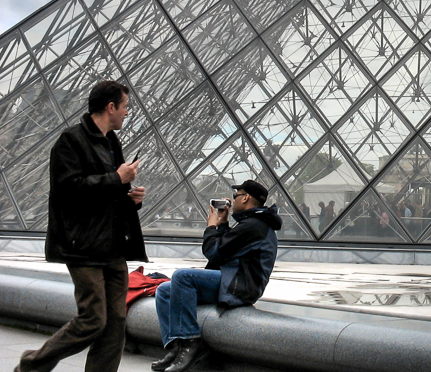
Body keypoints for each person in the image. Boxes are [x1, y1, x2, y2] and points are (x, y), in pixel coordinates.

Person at [17, 80, 147, 372]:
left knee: (116, 324)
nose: (128, 113)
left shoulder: (112, 142)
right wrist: (117, 179)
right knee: (93, 320)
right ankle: (32, 365)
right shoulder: (71, 141)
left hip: (114, 245)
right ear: (110, 107)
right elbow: (67, 190)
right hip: (84, 245)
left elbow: (109, 194)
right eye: (125, 107)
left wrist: (131, 198)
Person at [152, 180, 280, 372]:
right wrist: (224, 224)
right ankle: (174, 347)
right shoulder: (253, 224)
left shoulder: (253, 226)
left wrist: (211, 227)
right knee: (164, 290)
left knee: (182, 277)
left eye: (236, 196)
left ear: (245, 198)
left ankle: (191, 343)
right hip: (233, 279)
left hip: (239, 286)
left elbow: (214, 252)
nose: (233, 200)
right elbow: (230, 250)